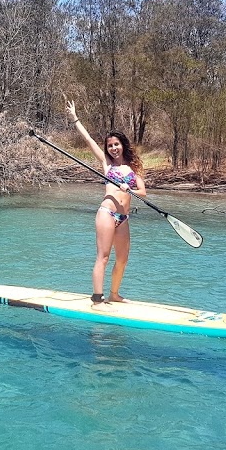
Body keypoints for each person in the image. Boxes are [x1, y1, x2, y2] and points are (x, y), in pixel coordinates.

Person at [66, 98, 147, 305]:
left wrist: (130, 188)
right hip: (107, 213)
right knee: (103, 257)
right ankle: (97, 298)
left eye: (116, 144)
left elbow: (143, 192)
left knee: (122, 259)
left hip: (124, 218)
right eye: (110, 146)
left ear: (123, 145)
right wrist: (75, 119)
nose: (113, 148)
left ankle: (114, 294)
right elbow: (89, 141)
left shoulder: (133, 169)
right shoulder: (106, 164)